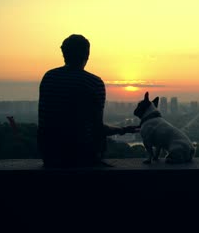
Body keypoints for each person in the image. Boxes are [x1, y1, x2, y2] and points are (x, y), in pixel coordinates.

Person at [38, 34, 136, 167]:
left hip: (50, 154)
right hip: (82, 155)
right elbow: (97, 128)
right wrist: (123, 130)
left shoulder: (49, 77)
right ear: (87, 55)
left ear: (64, 53)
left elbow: (44, 120)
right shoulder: (93, 82)